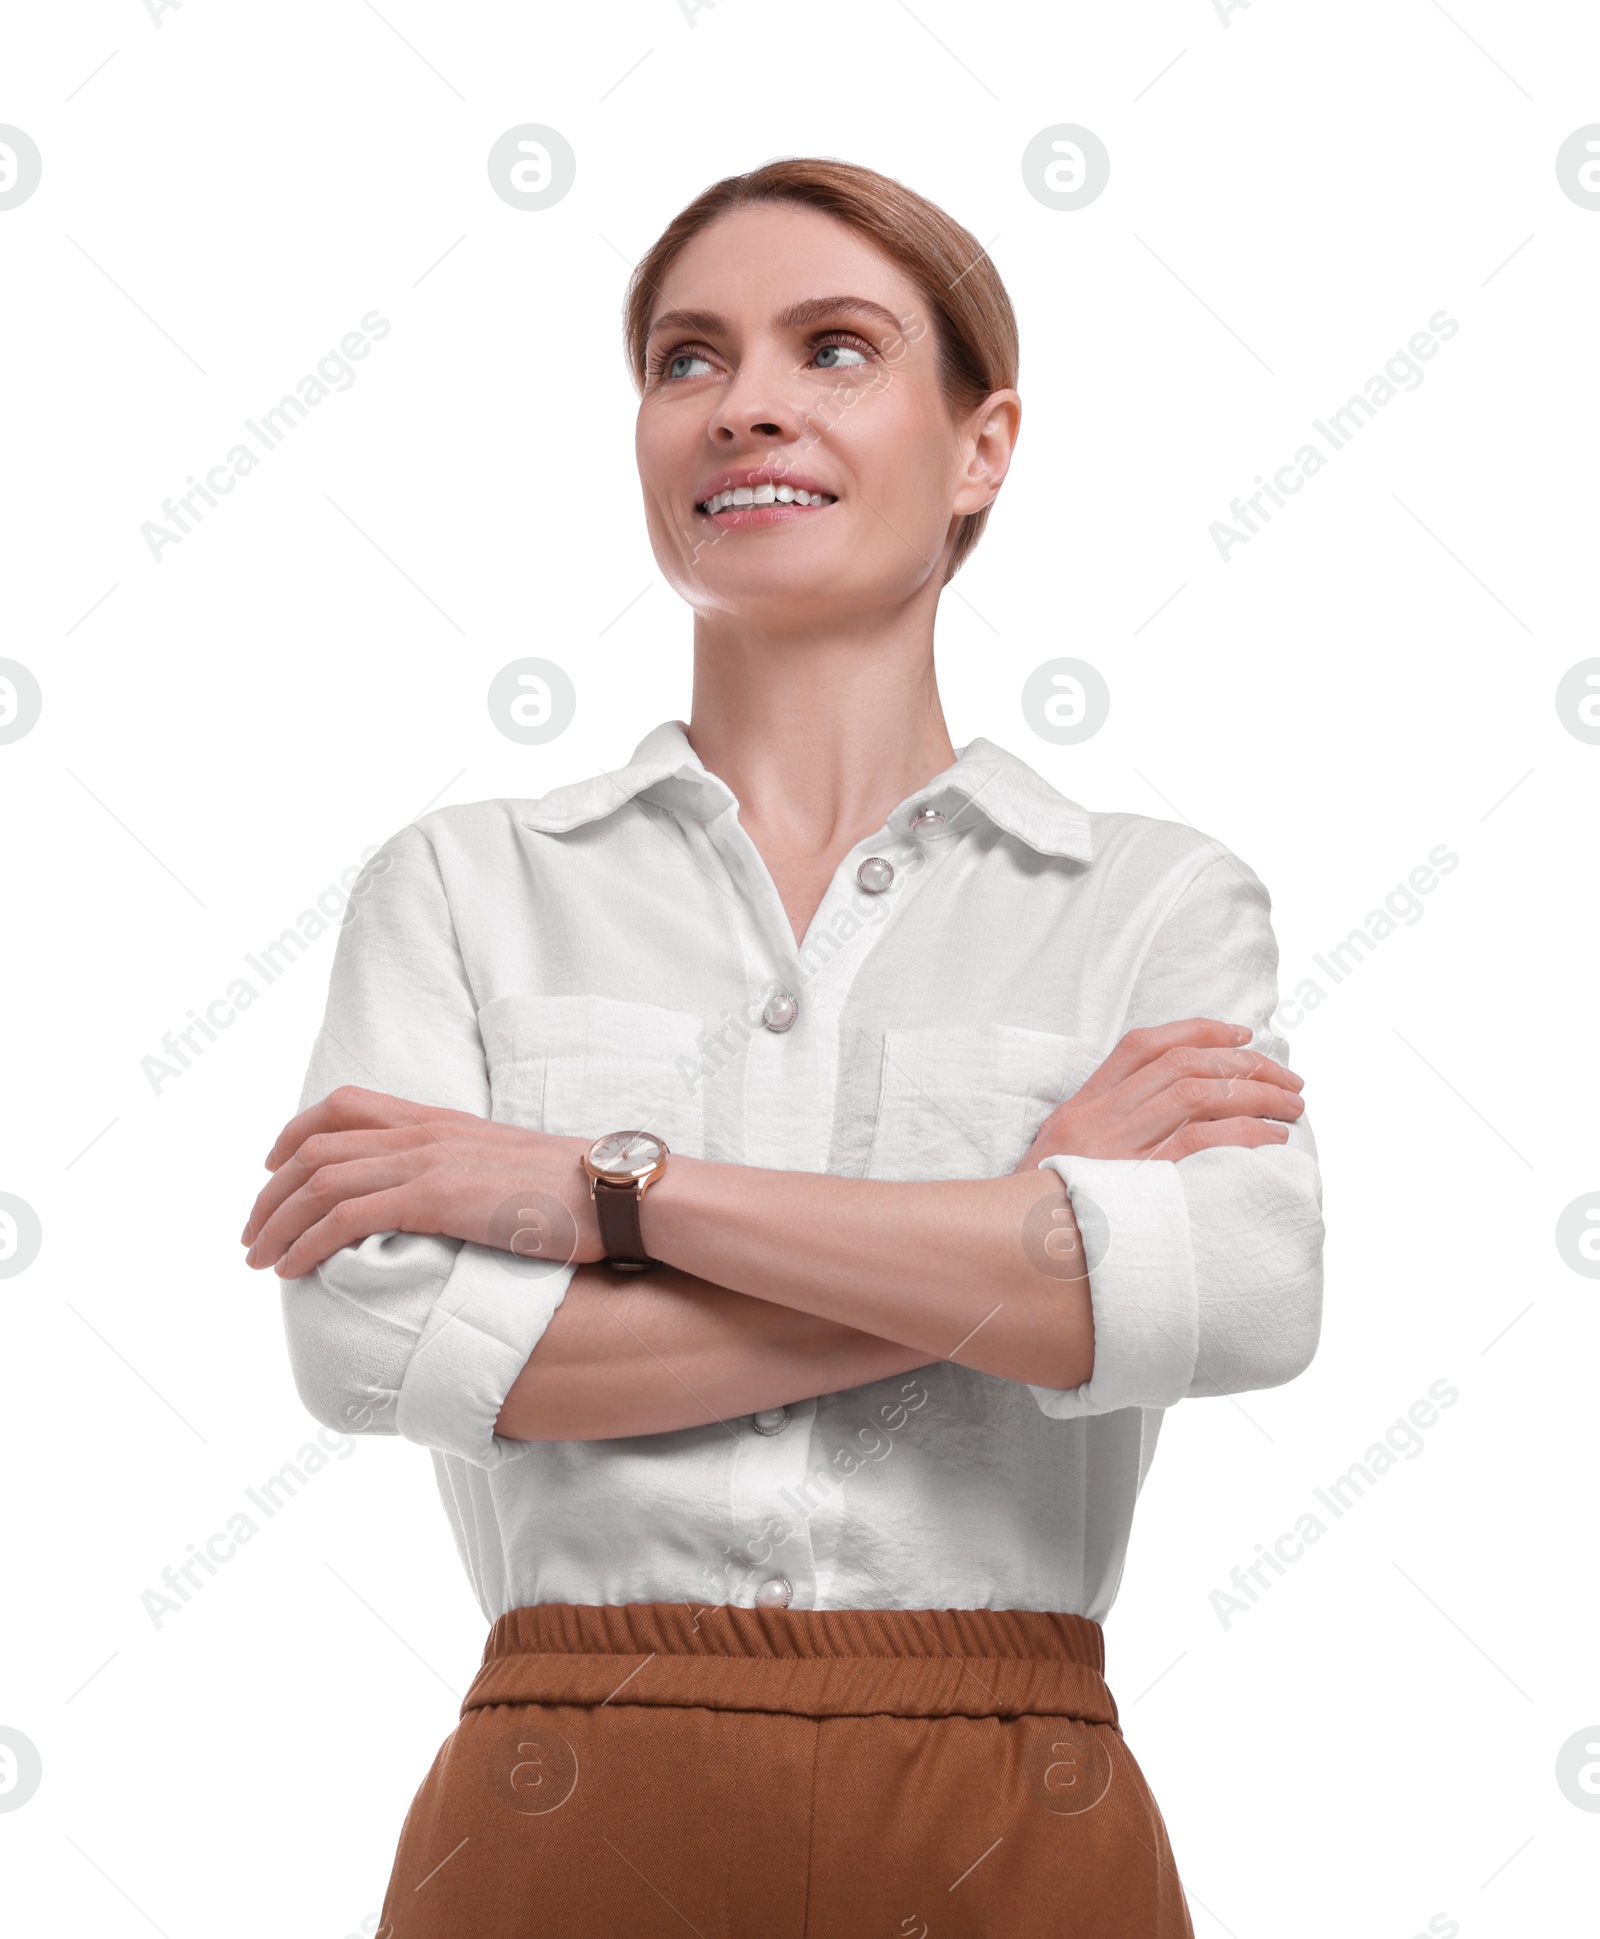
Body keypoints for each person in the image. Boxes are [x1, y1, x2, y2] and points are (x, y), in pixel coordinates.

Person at [242, 158, 1323, 1937]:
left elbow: (1244, 1302)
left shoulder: (1151, 902)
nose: (745, 401)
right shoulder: (463, 886)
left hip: (1014, 1798)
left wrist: (587, 1196)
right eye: (686, 359)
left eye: (835, 349)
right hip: (566, 1785)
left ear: (984, 447)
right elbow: (373, 1343)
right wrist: (1019, 1227)